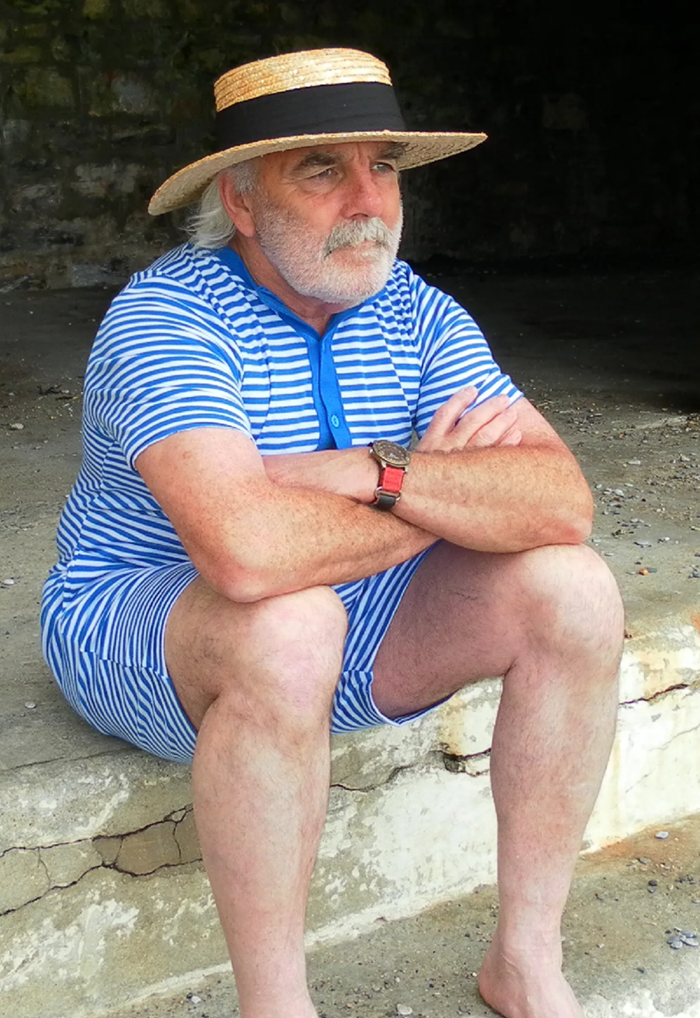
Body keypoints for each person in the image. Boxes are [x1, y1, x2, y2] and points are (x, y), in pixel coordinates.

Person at [41, 47, 624, 1018]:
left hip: (359, 616)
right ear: (239, 200)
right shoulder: (167, 317)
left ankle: (524, 964)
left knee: (575, 588)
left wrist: (374, 472)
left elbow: (560, 501)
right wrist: (433, 497)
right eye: (321, 168)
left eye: (382, 165)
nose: (367, 198)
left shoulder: (418, 315)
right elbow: (245, 554)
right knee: (290, 623)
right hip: (148, 619)